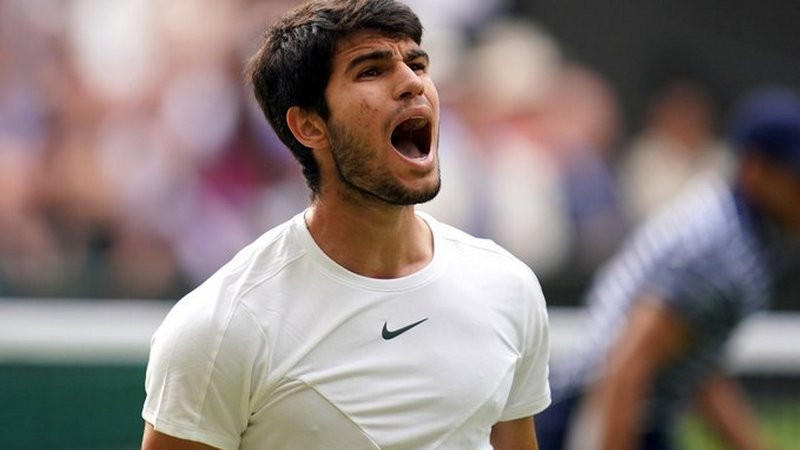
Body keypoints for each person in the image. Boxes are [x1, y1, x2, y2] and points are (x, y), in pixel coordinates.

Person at [140, 1, 551, 449]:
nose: (413, 83)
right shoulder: (220, 327)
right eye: (371, 71)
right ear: (309, 126)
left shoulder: (509, 287)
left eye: (417, 64)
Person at [536, 86, 800, 450]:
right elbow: (627, 366)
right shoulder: (717, 248)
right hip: (594, 415)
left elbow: (695, 368)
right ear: (755, 169)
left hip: (633, 415)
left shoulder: (744, 238)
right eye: (796, 180)